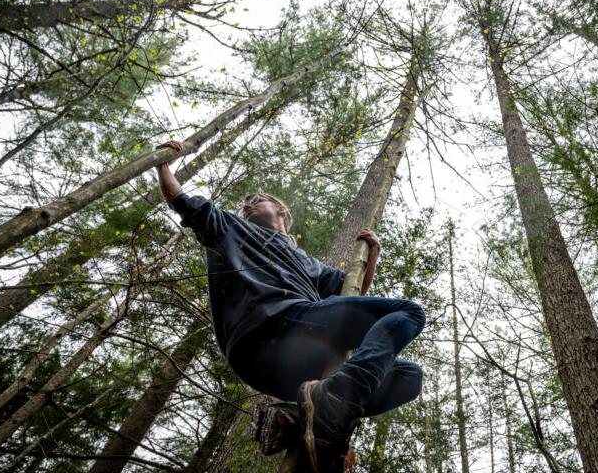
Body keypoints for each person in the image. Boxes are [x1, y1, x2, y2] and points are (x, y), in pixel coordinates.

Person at [152, 140, 426, 472]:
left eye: (257, 200)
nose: (248, 205)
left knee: (409, 377)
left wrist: (372, 256)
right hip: (269, 325)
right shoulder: (230, 228)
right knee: (410, 312)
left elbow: (348, 291)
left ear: (281, 211)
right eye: (245, 204)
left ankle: (301, 415)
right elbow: (182, 201)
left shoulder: (306, 261)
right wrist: (163, 163)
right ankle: (333, 399)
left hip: (290, 367)